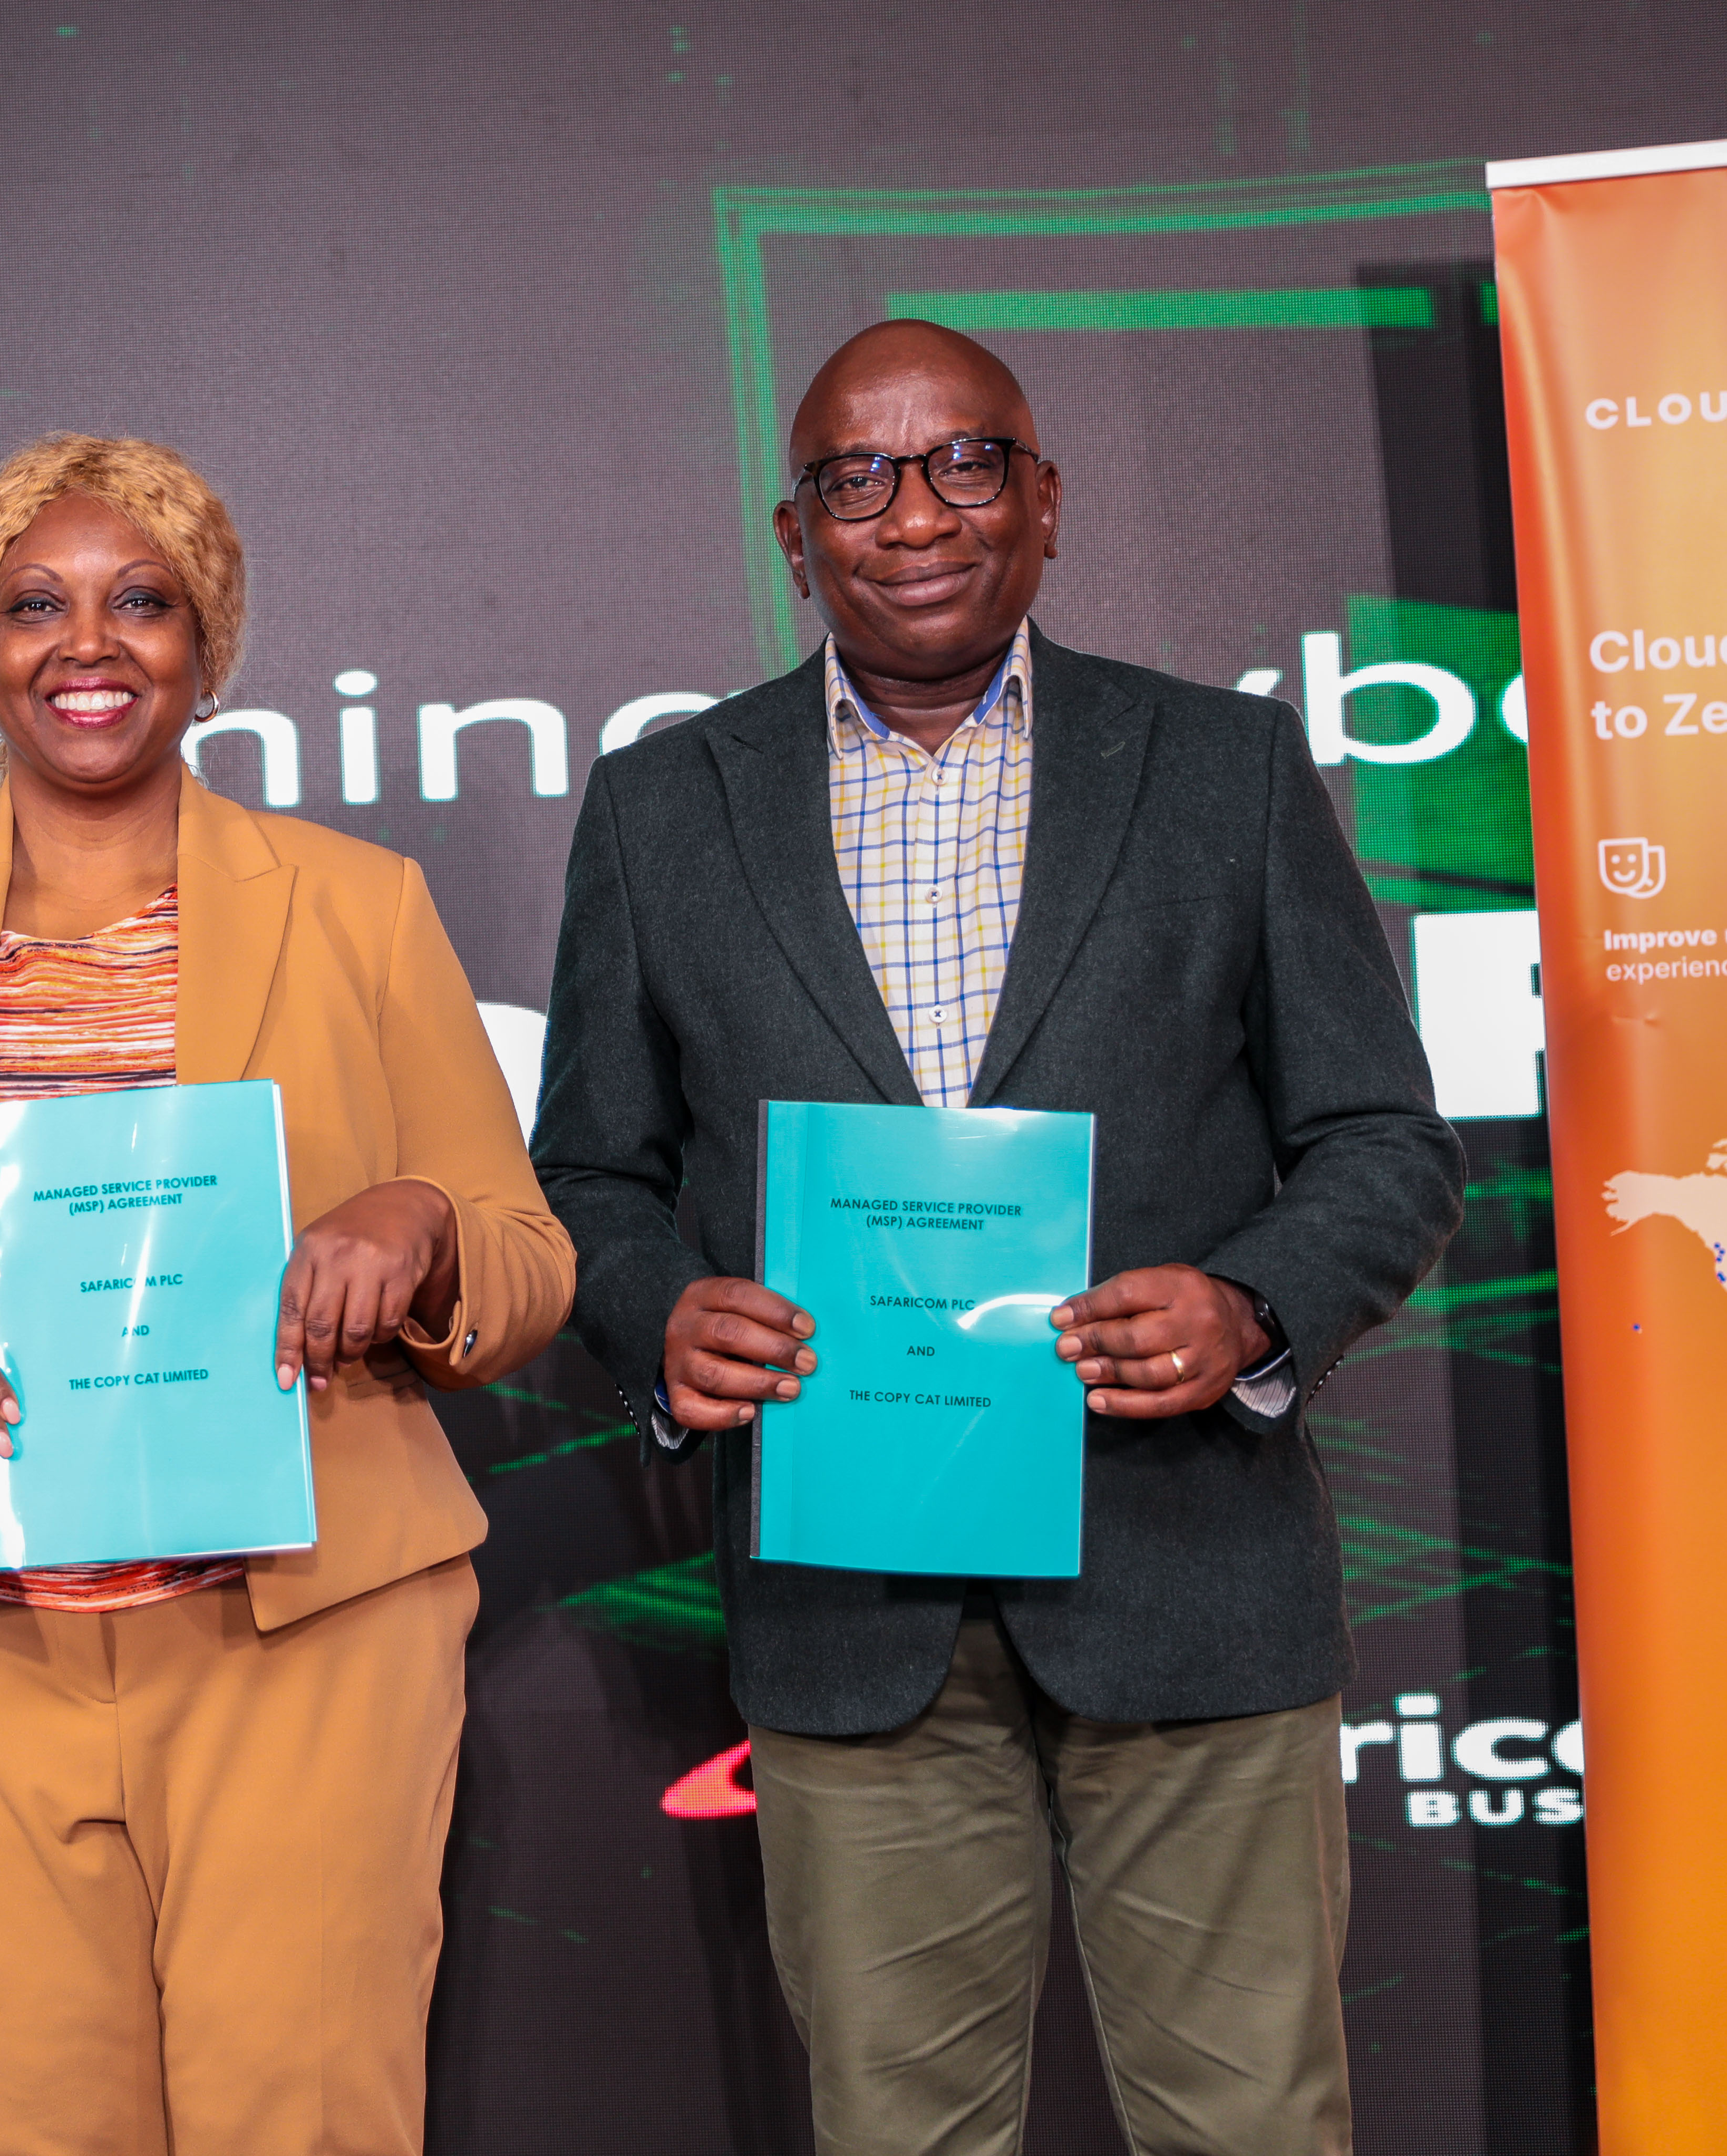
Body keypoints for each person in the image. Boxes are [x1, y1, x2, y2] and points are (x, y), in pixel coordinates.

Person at [531, 321, 1464, 2154]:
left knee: (1254, 2125)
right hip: (848, 1603)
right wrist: (659, 1320)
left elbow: (1385, 1138)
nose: (915, 514)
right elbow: (591, 1176)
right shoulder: (665, 806)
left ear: (1047, 499)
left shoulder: (1227, 768)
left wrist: (1255, 1305)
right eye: (854, 478)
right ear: (794, 538)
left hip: (1188, 1572)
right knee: (901, 2132)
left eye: (965, 462)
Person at [0, 434, 574, 2156]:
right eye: (35, 605)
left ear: (206, 637)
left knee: (306, 2124)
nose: (88, 643)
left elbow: (524, 1254)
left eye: (140, 599)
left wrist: (420, 1221)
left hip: (302, 1633)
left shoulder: (361, 908)